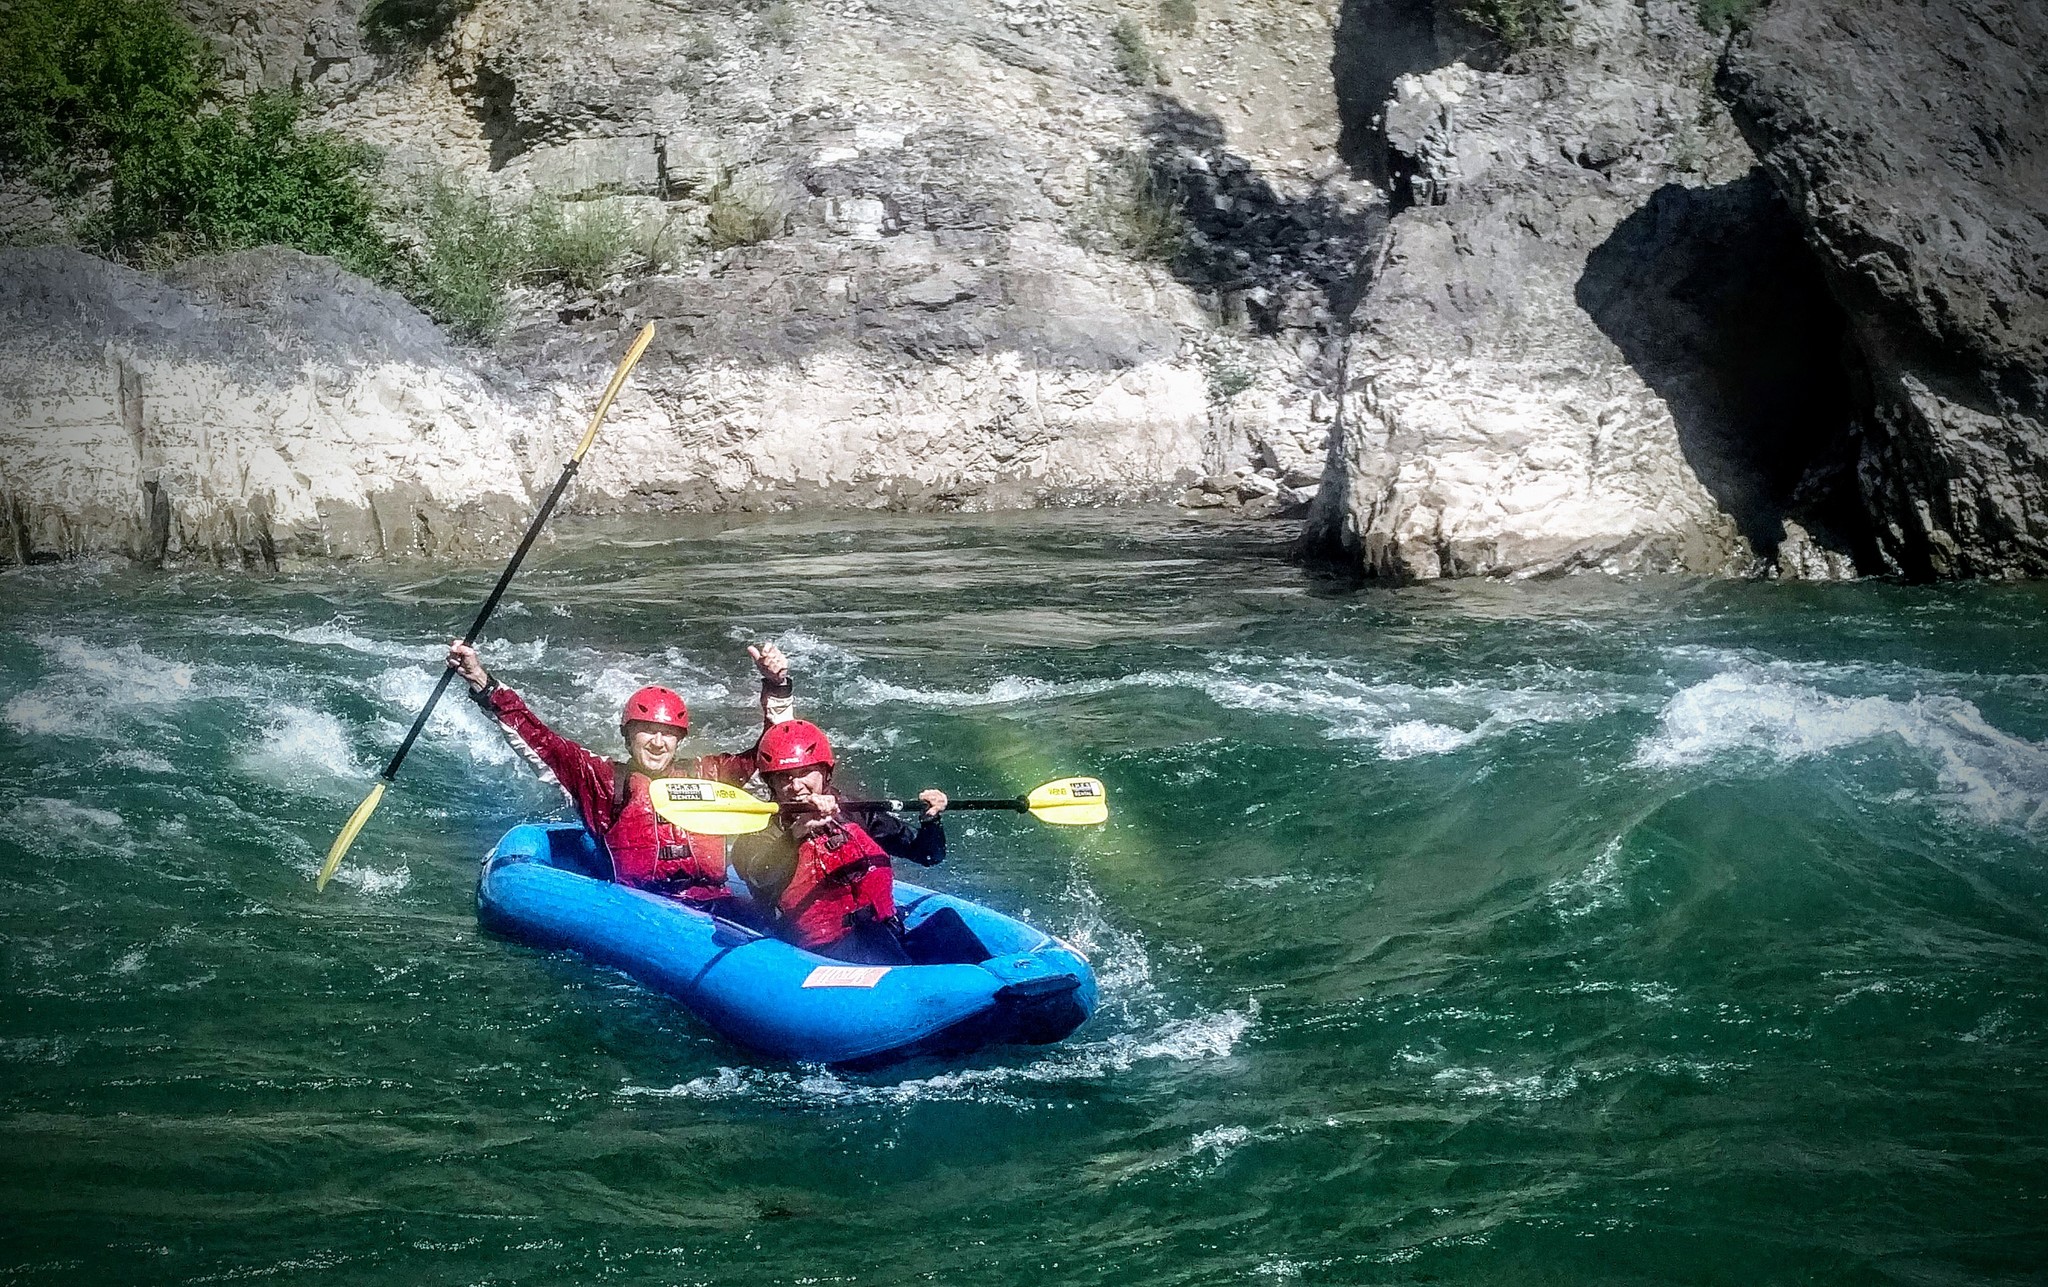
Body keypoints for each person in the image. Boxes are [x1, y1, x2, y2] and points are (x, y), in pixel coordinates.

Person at [445, 638, 793, 906]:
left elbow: (773, 754)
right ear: (628, 737)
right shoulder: (602, 781)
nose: (658, 742)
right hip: (642, 907)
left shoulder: (709, 774)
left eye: (668, 733)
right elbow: (540, 738)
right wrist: (482, 681)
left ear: (679, 740)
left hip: (714, 902)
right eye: (646, 730)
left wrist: (777, 687)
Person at [731, 719, 950, 964]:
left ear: (826, 773)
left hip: (882, 931)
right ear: (770, 782)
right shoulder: (759, 831)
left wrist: (931, 821)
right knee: (872, 949)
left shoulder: (853, 811)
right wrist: (797, 832)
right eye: (783, 777)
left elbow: (928, 855)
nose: (795, 786)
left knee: (948, 926)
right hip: (816, 951)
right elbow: (761, 874)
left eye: (804, 773)